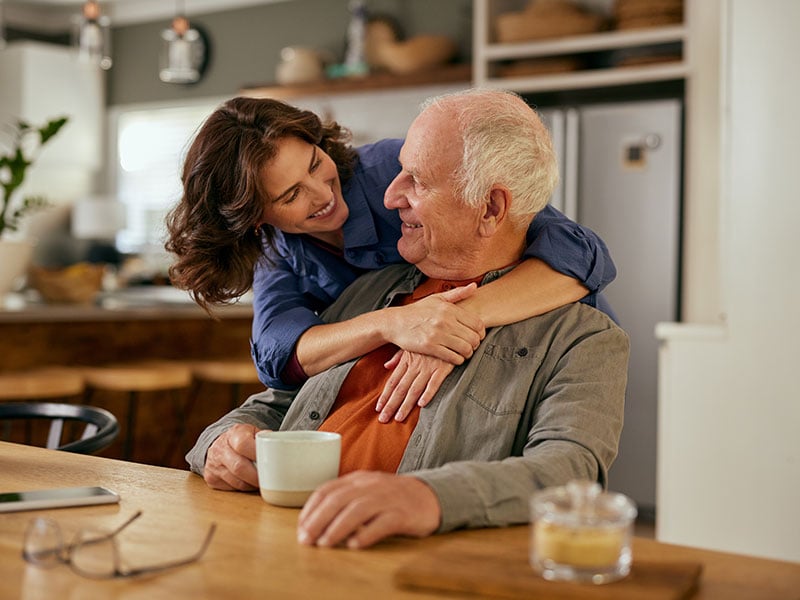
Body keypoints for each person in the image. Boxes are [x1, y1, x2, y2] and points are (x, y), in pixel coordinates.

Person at [186, 89, 629, 550]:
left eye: (416, 180)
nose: (390, 195)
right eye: (291, 194)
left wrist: (427, 496)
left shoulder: (580, 337)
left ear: (490, 208)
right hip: (281, 537)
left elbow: (570, 470)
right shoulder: (369, 294)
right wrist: (218, 444)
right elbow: (280, 390)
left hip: (407, 555)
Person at [165, 96, 617, 423]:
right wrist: (392, 324)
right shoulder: (277, 251)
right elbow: (279, 356)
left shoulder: (392, 170)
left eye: (315, 163)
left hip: (543, 340)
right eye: (291, 195)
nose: (323, 193)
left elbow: (579, 251)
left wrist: (453, 319)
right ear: (255, 218)